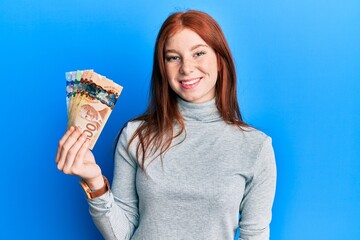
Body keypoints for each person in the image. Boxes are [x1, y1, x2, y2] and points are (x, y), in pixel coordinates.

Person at [55, 10, 276, 240]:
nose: (186, 68)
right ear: (163, 67)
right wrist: (95, 182)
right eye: (173, 57)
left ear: (220, 60)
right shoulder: (135, 135)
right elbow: (122, 234)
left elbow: (254, 236)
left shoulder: (256, 147)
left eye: (199, 53)